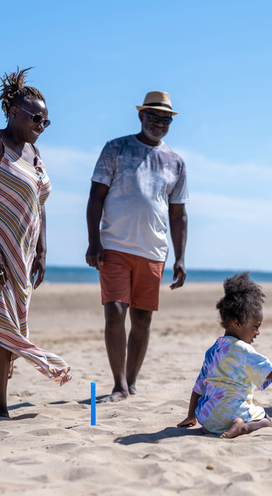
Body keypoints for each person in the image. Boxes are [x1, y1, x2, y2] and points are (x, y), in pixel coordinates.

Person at [0, 67, 71, 418]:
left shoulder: (34, 154)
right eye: (36, 117)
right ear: (14, 112)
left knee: (5, 320)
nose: (41, 125)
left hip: (20, 247)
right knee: (3, 319)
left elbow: (39, 202)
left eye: (46, 121)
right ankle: (0, 410)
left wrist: (41, 249)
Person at [86, 91, 188, 402]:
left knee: (142, 320)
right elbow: (95, 197)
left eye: (165, 119)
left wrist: (181, 258)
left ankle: (130, 383)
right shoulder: (115, 148)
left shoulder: (176, 161)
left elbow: (178, 213)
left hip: (153, 250)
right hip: (114, 244)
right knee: (115, 311)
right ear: (140, 116)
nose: (159, 123)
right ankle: (118, 385)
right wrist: (93, 241)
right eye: (153, 116)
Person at [177, 273, 272, 438]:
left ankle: (213, 427)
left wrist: (191, 416)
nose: (257, 332)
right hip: (232, 413)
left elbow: (198, 387)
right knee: (266, 419)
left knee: (211, 425)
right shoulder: (243, 350)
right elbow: (269, 371)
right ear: (236, 323)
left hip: (207, 417)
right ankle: (243, 428)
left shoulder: (213, 350)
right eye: (255, 326)